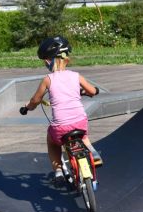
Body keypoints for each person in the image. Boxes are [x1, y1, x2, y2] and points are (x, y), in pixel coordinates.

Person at [20, 36, 103, 186]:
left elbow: (35, 100)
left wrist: (27, 107)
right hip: (80, 122)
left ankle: (58, 171)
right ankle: (92, 151)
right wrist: (93, 91)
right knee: (82, 134)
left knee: (52, 140)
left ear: (47, 61)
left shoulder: (48, 80)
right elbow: (92, 91)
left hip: (60, 128)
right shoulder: (76, 76)